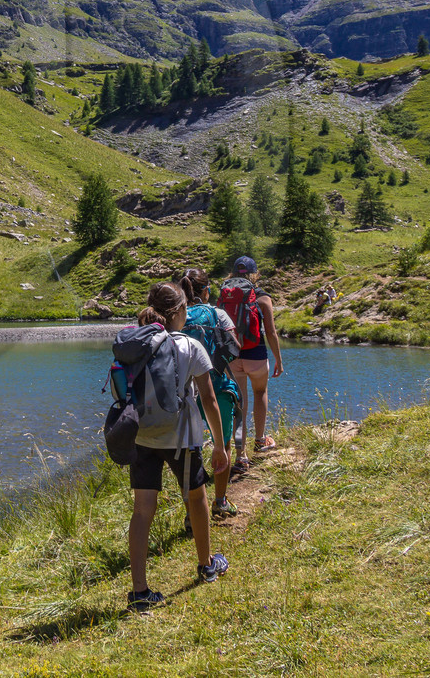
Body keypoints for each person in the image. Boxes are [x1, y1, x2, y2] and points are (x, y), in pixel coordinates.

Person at [126, 281, 231, 612]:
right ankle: (206, 565)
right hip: (181, 437)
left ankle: (140, 592)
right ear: (180, 311)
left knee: (142, 510)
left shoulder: (135, 341)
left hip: (141, 436)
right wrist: (219, 445)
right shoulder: (189, 345)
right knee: (196, 497)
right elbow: (209, 399)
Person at [178, 268, 241, 519]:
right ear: (206, 290)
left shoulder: (177, 316)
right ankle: (220, 501)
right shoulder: (217, 313)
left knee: (187, 453)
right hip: (217, 386)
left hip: (185, 392)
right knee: (222, 443)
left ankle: (190, 513)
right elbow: (235, 347)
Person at [226, 255, 283, 473]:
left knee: (239, 403)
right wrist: (278, 359)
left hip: (233, 355)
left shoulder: (226, 294)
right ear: (255, 274)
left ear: (233, 273)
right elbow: (271, 332)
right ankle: (260, 440)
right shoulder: (262, 297)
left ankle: (240, 456)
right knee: (260, 392)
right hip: (256, 353)